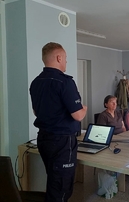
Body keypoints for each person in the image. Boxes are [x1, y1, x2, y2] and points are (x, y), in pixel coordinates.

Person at [29, 42, 87, 202]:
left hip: (43, 139)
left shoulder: (36, 82)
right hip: (62, 142)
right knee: (61, 188)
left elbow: (36, 111)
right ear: (59, 57)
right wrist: (84, 108)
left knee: (53, 180)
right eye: (66, 58)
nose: (66, 62)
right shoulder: (65, 82)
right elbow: (78, 116)